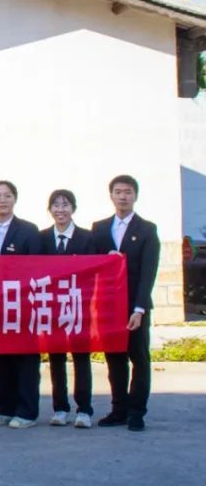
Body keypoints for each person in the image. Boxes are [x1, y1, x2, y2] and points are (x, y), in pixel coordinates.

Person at [91, 175, 160, 432]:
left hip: (135, 307)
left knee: (139, 358)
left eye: (128, 192)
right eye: (118, 191)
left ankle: (137, 412)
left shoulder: (147, 229)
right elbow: (91, 267)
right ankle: (119, 409)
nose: (123, 196)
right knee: (115, 359)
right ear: (111, 195)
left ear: (135, 196)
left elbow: (148, 272)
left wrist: (139, 309)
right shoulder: (99, 228)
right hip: (110, 306)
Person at [0, 180, 42, 429]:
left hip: (23, 305)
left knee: (25, 360)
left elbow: (37, 267)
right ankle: (3, 408)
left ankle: (27, 412)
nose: (2, 200)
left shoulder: (29, 230)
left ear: (15, 199)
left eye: (7, 195)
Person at [41, 189, 96, 429]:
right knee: (56, 358)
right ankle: (60, 408)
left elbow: (96, 269)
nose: (60, 210)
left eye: (65, 205)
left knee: (81, 357)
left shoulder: (88, 238)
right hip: (52, 307)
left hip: (79, 307)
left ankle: (84, 409)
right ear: (49, 209)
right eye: (56, 205)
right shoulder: (42, 238)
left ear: (73, 208)